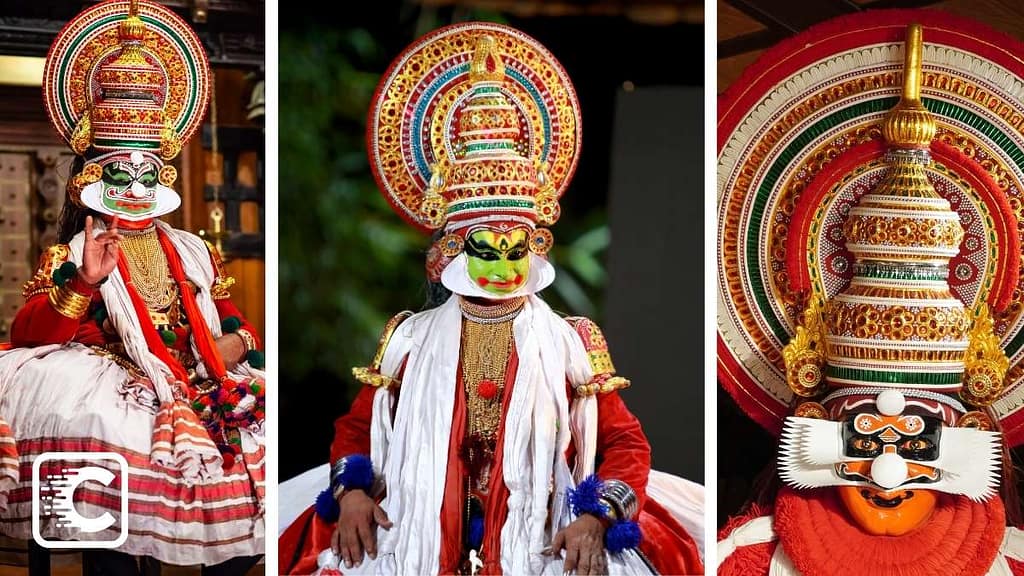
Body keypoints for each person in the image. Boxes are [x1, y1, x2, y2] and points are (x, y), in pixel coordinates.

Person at [279, 22, 703, 576]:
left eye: (516, 247)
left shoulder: (572, 341)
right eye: (487, 248)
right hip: (416, 525)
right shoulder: (410, 336)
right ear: (452, 249)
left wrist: (597, 516)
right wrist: (353, 494)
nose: (505, 267)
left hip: (543, 531)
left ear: (539, 246)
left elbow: (625, 442)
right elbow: (359, 428)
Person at [717, 12, 1024, 576]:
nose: (887, 472)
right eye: (864, 436)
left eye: (915, 441)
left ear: (969, 433)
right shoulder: (748, 559)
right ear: (818, 419)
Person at [0, 0, 265, 573]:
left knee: (260, 428)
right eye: (122, 172)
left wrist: (237, 345)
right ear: (94, 177)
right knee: (97, 432)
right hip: (115, 379)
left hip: (196, 371)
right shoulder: (73, 252)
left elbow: (233, 317)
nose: (137, 185)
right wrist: (84, 281)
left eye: (148, 172)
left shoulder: (193, 250)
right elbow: (27, 336)